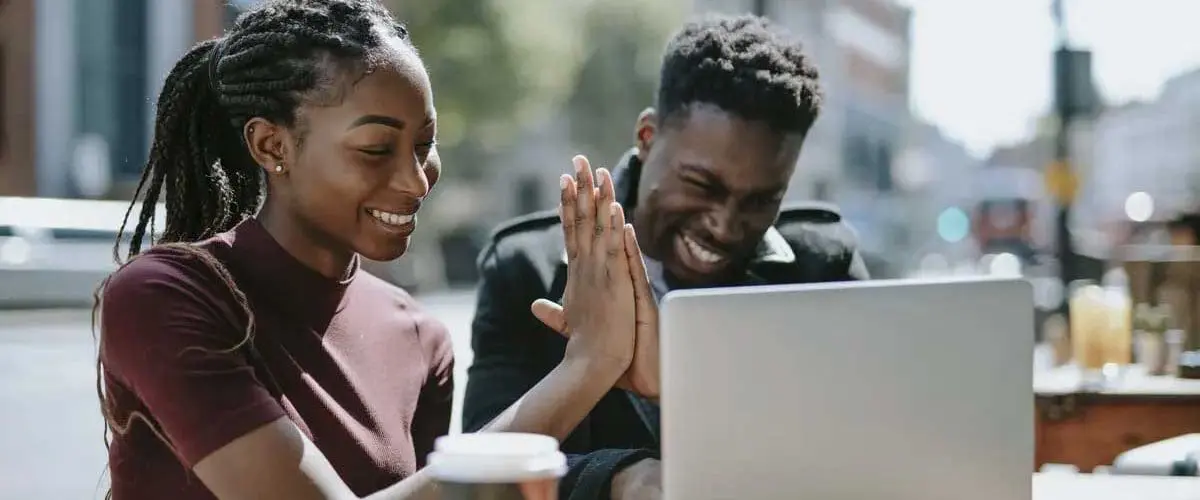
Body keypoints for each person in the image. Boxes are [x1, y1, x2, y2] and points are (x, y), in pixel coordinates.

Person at [95, 1, 651, 499]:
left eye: (425, 145)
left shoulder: (420, 337)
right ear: (272, 145)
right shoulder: (165, 297)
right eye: (376, 148)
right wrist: (587, 366)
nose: (416, 181)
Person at [463, 15, 870, 500]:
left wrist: (679, 389)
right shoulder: (525, 271)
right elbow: (475, 472)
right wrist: (619, 479)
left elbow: (860, 453)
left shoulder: (823, 272)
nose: (724, 224)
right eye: (702, 185)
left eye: (761, 200)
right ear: (647, 136)